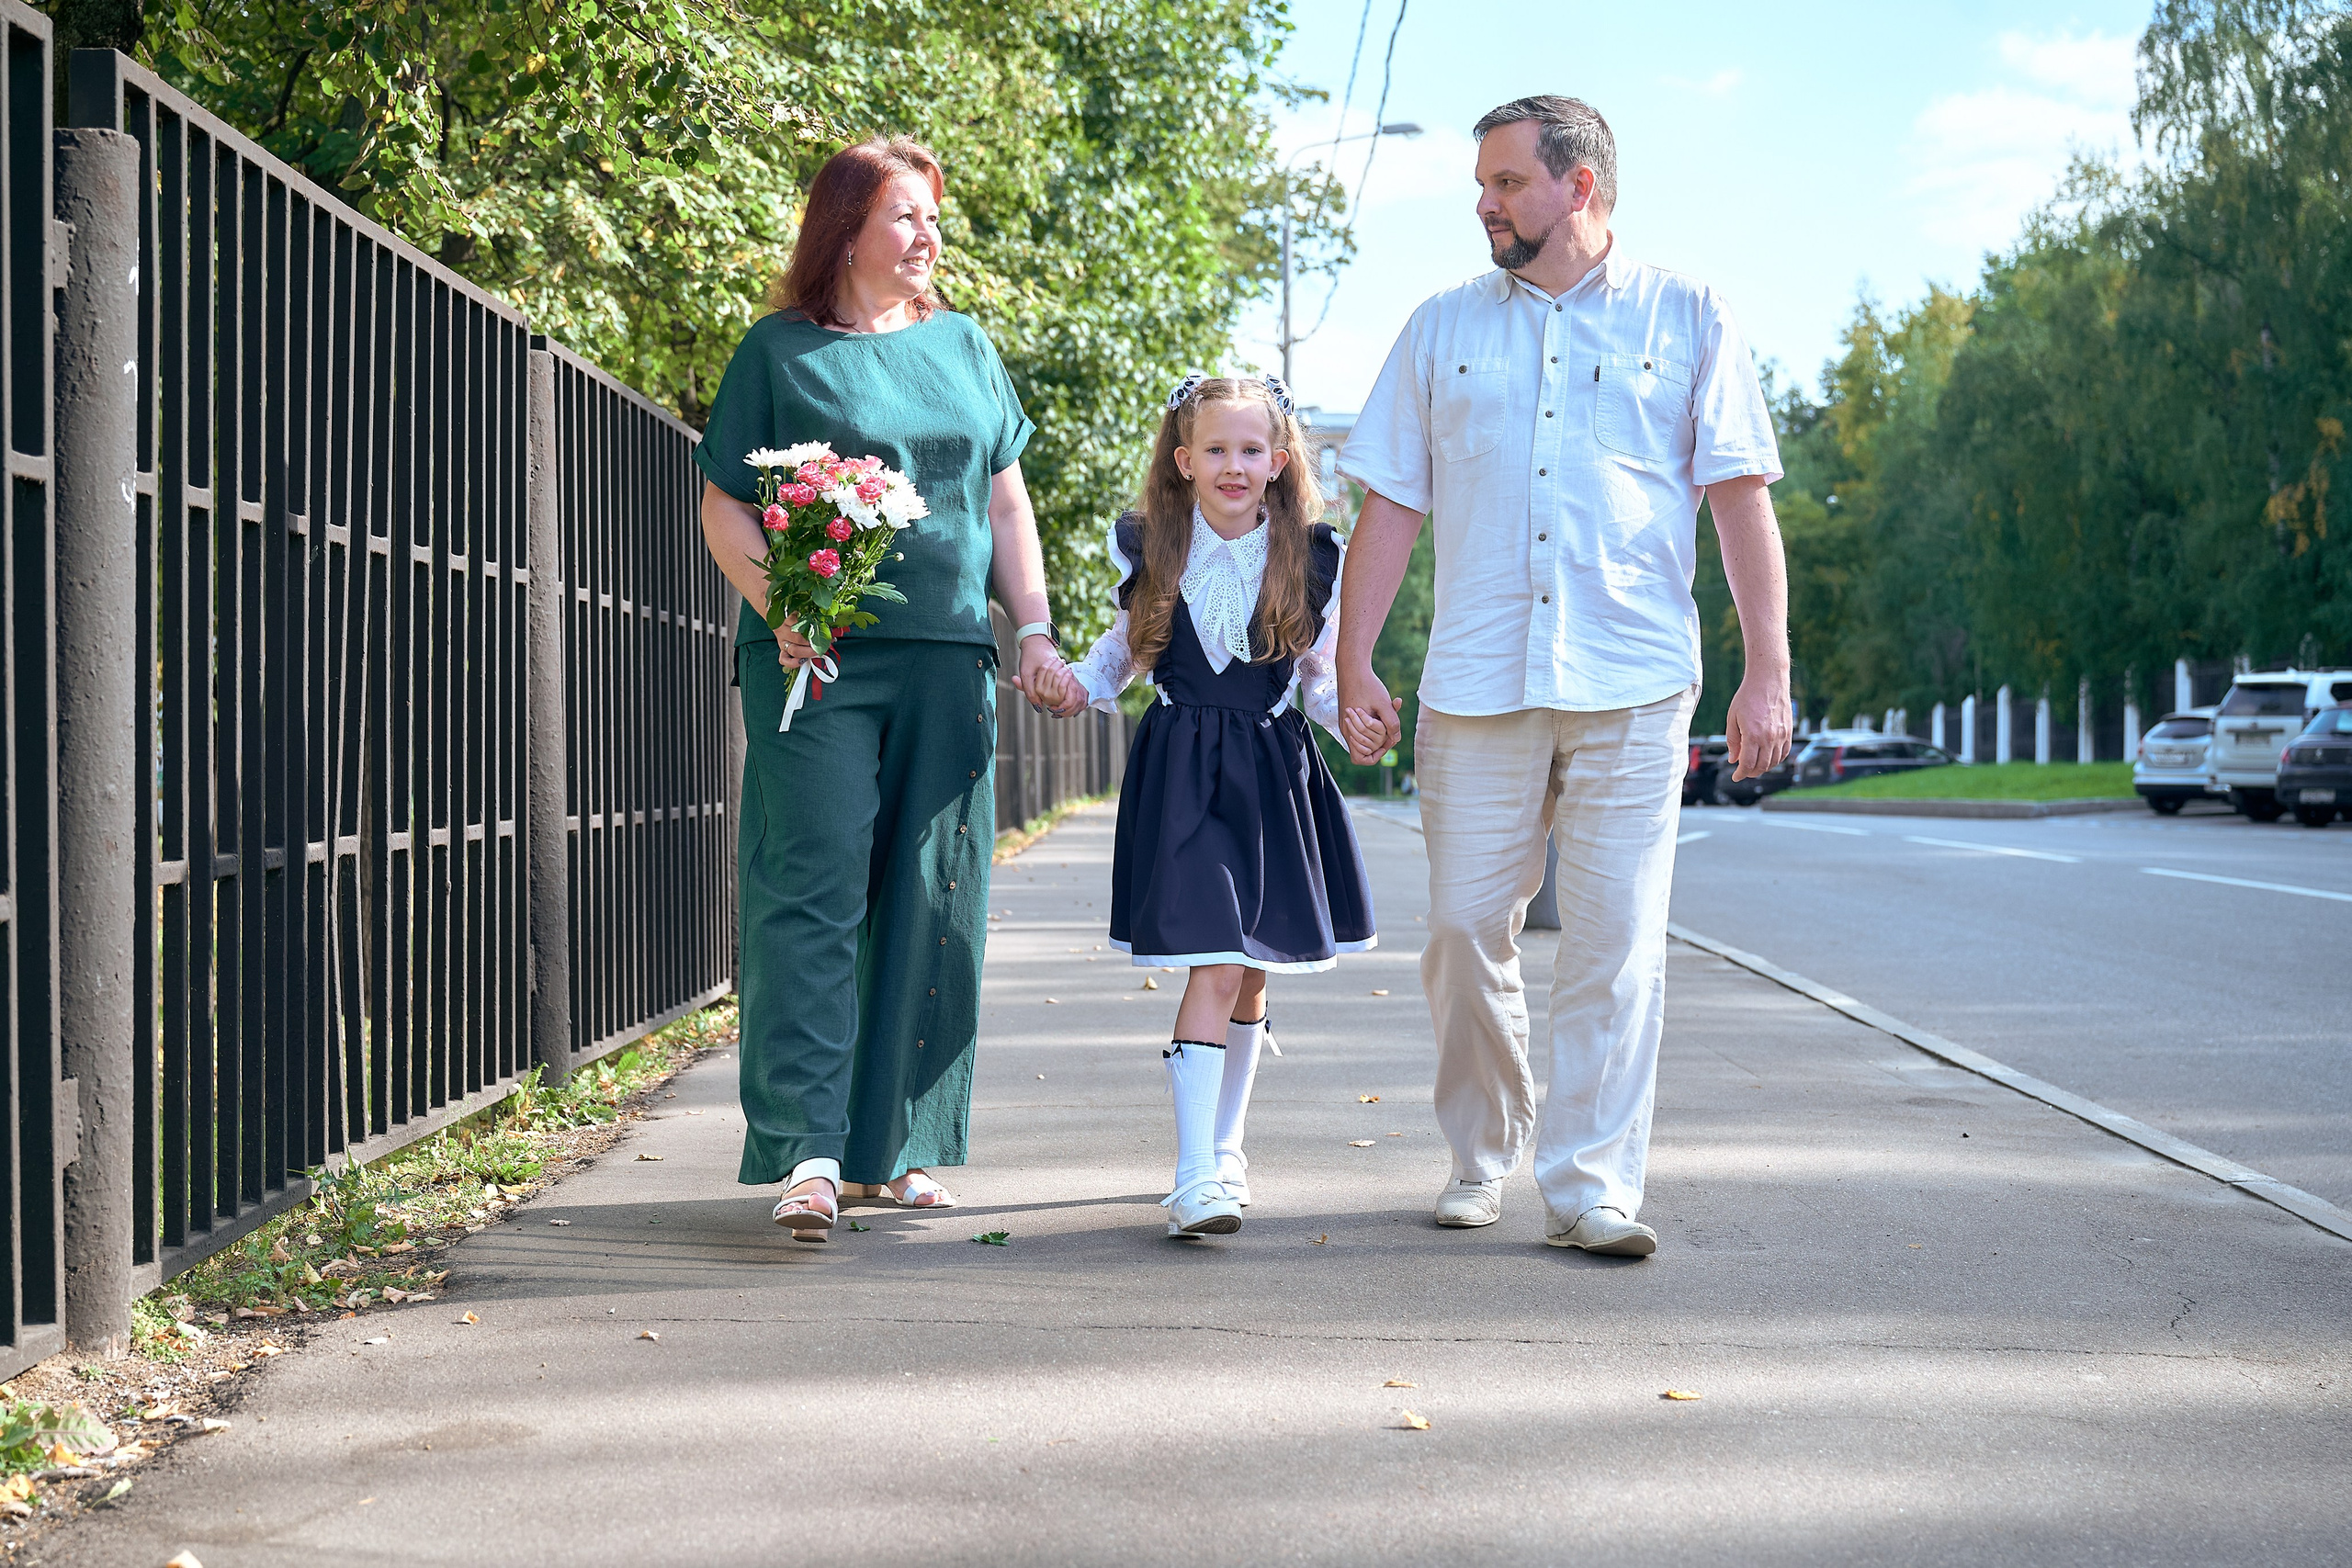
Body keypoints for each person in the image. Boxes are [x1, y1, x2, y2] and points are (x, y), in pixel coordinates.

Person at [1334, 96, 1792, 1257]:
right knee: (1457, 931)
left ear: (1577, 186)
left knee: (1614, 941)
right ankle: (1481, 1150)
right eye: (1480, 187)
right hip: (1477, 681)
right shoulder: (1441, 327)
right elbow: (1388, 499)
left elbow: (1740, 499)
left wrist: (1765, 674)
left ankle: (1590, 1184)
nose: (1483, 206)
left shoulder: (1689, 314)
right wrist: (1352, 657)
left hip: (1635, 678)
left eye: (1503, 184)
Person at [695, 136, 1070, 1241]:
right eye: (906, 217)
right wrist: (786, 610)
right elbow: (723, 507)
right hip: (818, 663)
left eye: (933, 219)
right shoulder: (779, 354)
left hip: (949, 661)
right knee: (809, 893)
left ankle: (888, 1152)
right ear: (845, 230)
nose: (928, 237)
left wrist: (1035, 629)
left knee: (930, 896)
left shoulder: (964, 347)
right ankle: (805, 1155)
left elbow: (1005, 505)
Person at [1036, 373, 1374, 1238]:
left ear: (1279, 458)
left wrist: (1357, 722)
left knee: (1252, 968)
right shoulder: (1153, 547)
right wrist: (1070, 685)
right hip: (1183, 771)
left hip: (1270, 773)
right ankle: (1193, 1176)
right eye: (1215, 450)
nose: (1234, 465)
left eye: (1251, 449)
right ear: (1184, 461)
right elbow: (1121, 655)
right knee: (1215, 963)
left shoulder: (1313, 554)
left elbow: (1320, 677)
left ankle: (1225, 1151)